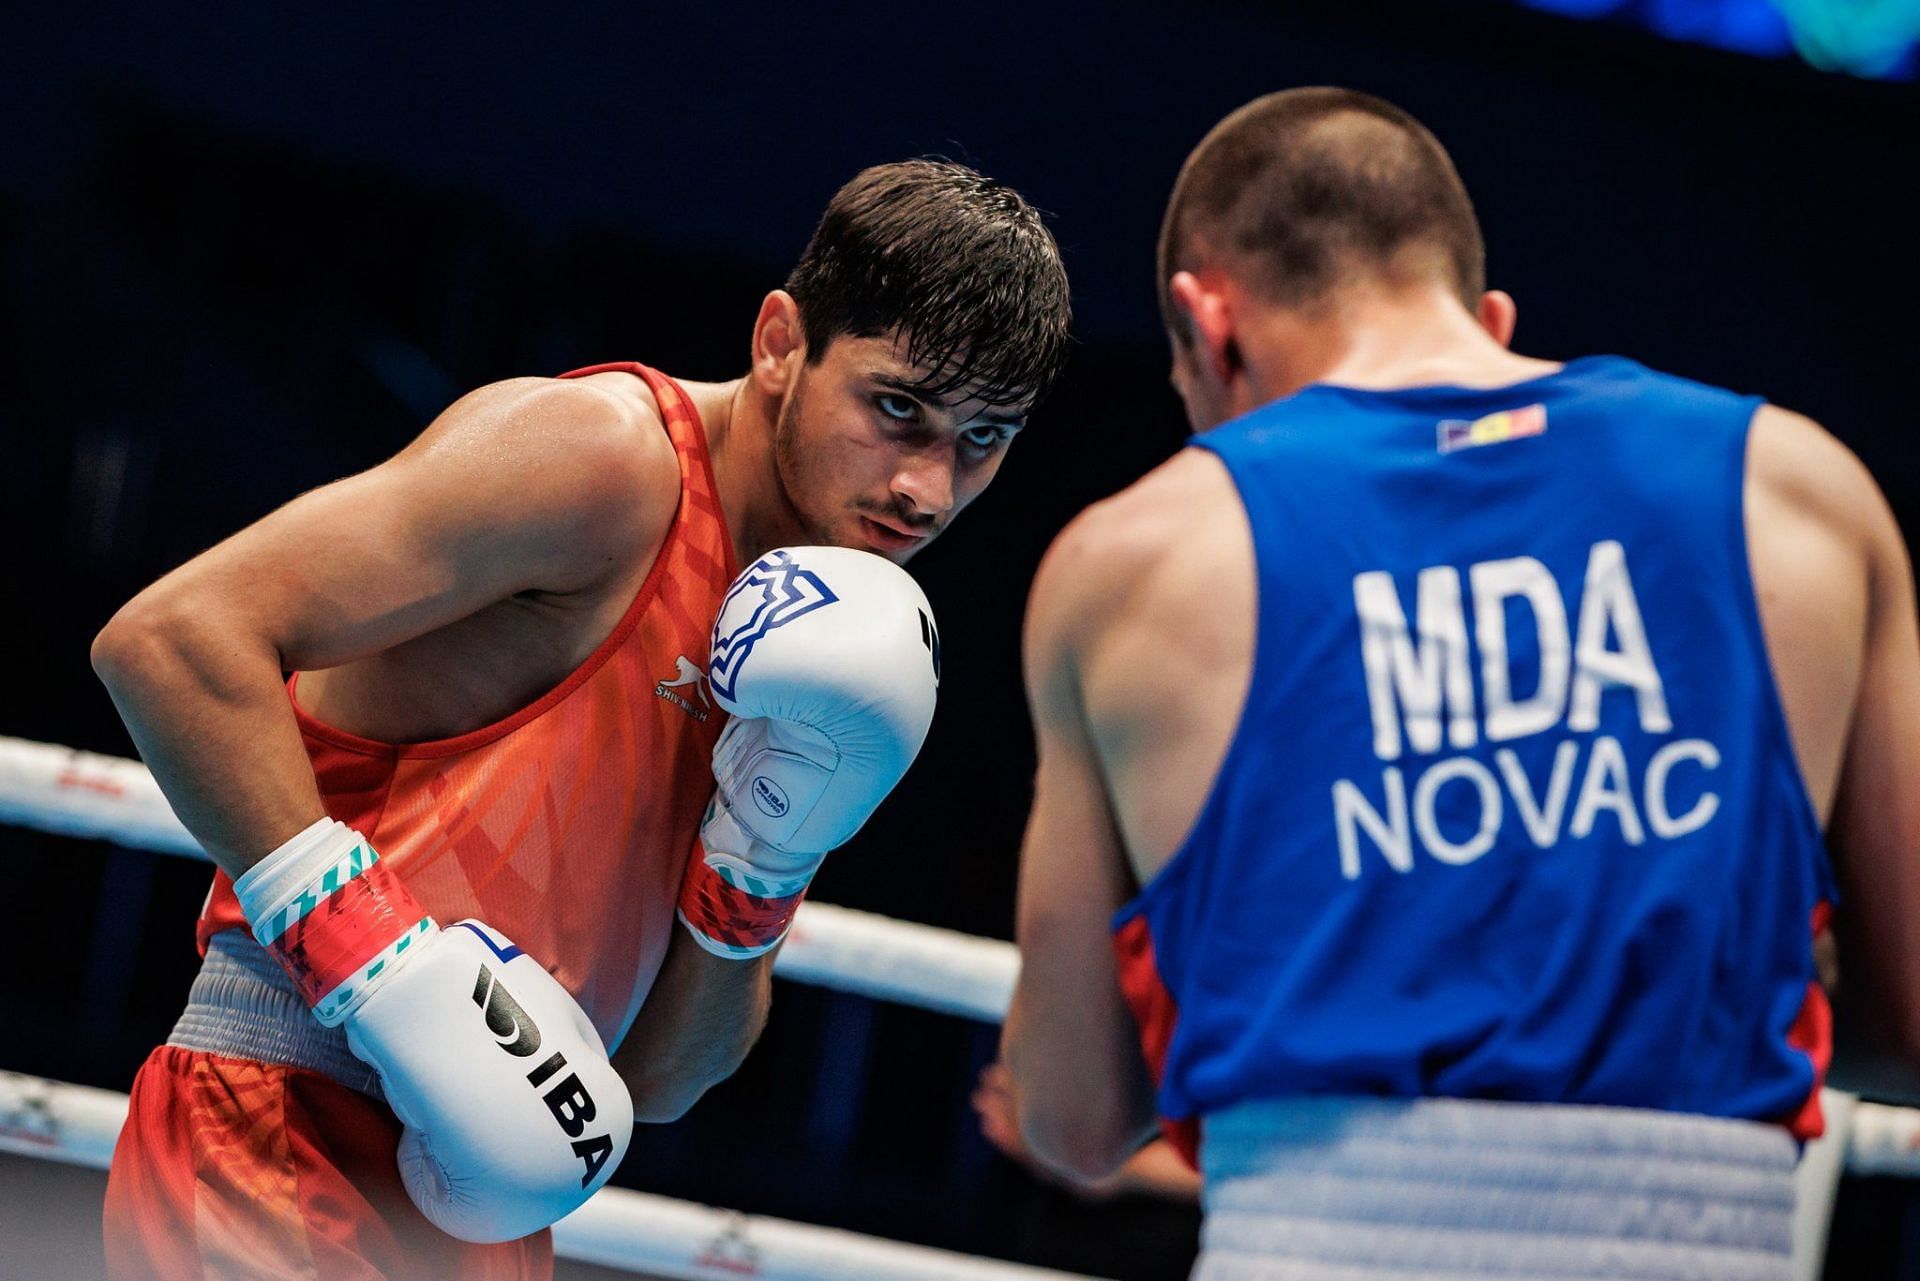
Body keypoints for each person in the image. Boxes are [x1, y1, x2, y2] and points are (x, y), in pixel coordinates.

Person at [91, 158, 1071, 1280]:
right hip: (278, 1128)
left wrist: (761, 863)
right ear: (780, 343)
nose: (928, 490)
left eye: (984, 440)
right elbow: (173, 638)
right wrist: (374, 959)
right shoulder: (604, 464)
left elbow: (659, 1084)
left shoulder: (825, 637)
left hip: (487, 1205)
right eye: (899, 410)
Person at [1000, 87, 1919, 1279]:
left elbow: (1071, 1118)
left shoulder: (1136, 559)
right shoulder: (1802, 493)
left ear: (1206, 324)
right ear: (1486, 317)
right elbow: (1907, 1025)